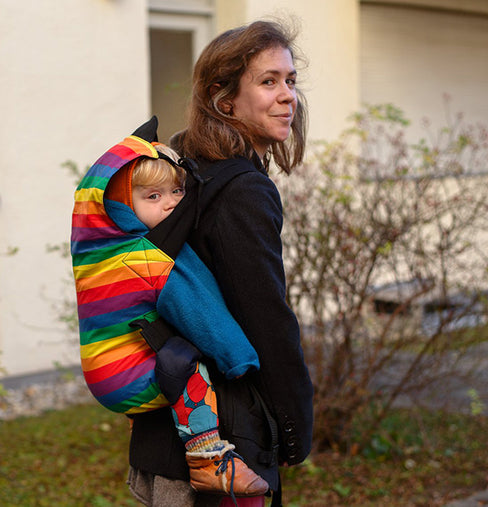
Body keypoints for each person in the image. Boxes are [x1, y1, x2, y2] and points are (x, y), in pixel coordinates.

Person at [126, 20, 315, 507]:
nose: (287, 96)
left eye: (290, 81)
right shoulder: (242, 189)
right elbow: (265, 316)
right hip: (226, 444)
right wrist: (295, 426)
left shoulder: (184, 168)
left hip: (171, 429)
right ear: (223, 98)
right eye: (268, 81)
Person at [71, 118, 269, 498]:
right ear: (118, 203)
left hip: (101, 365)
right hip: (126, 377)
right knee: (186, 364)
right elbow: (201, 314)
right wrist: (240, 359)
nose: (171, 203)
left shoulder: (93, 248)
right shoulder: (146, 261)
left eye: (177, 191)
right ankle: (208, 460)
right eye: (153, 196)